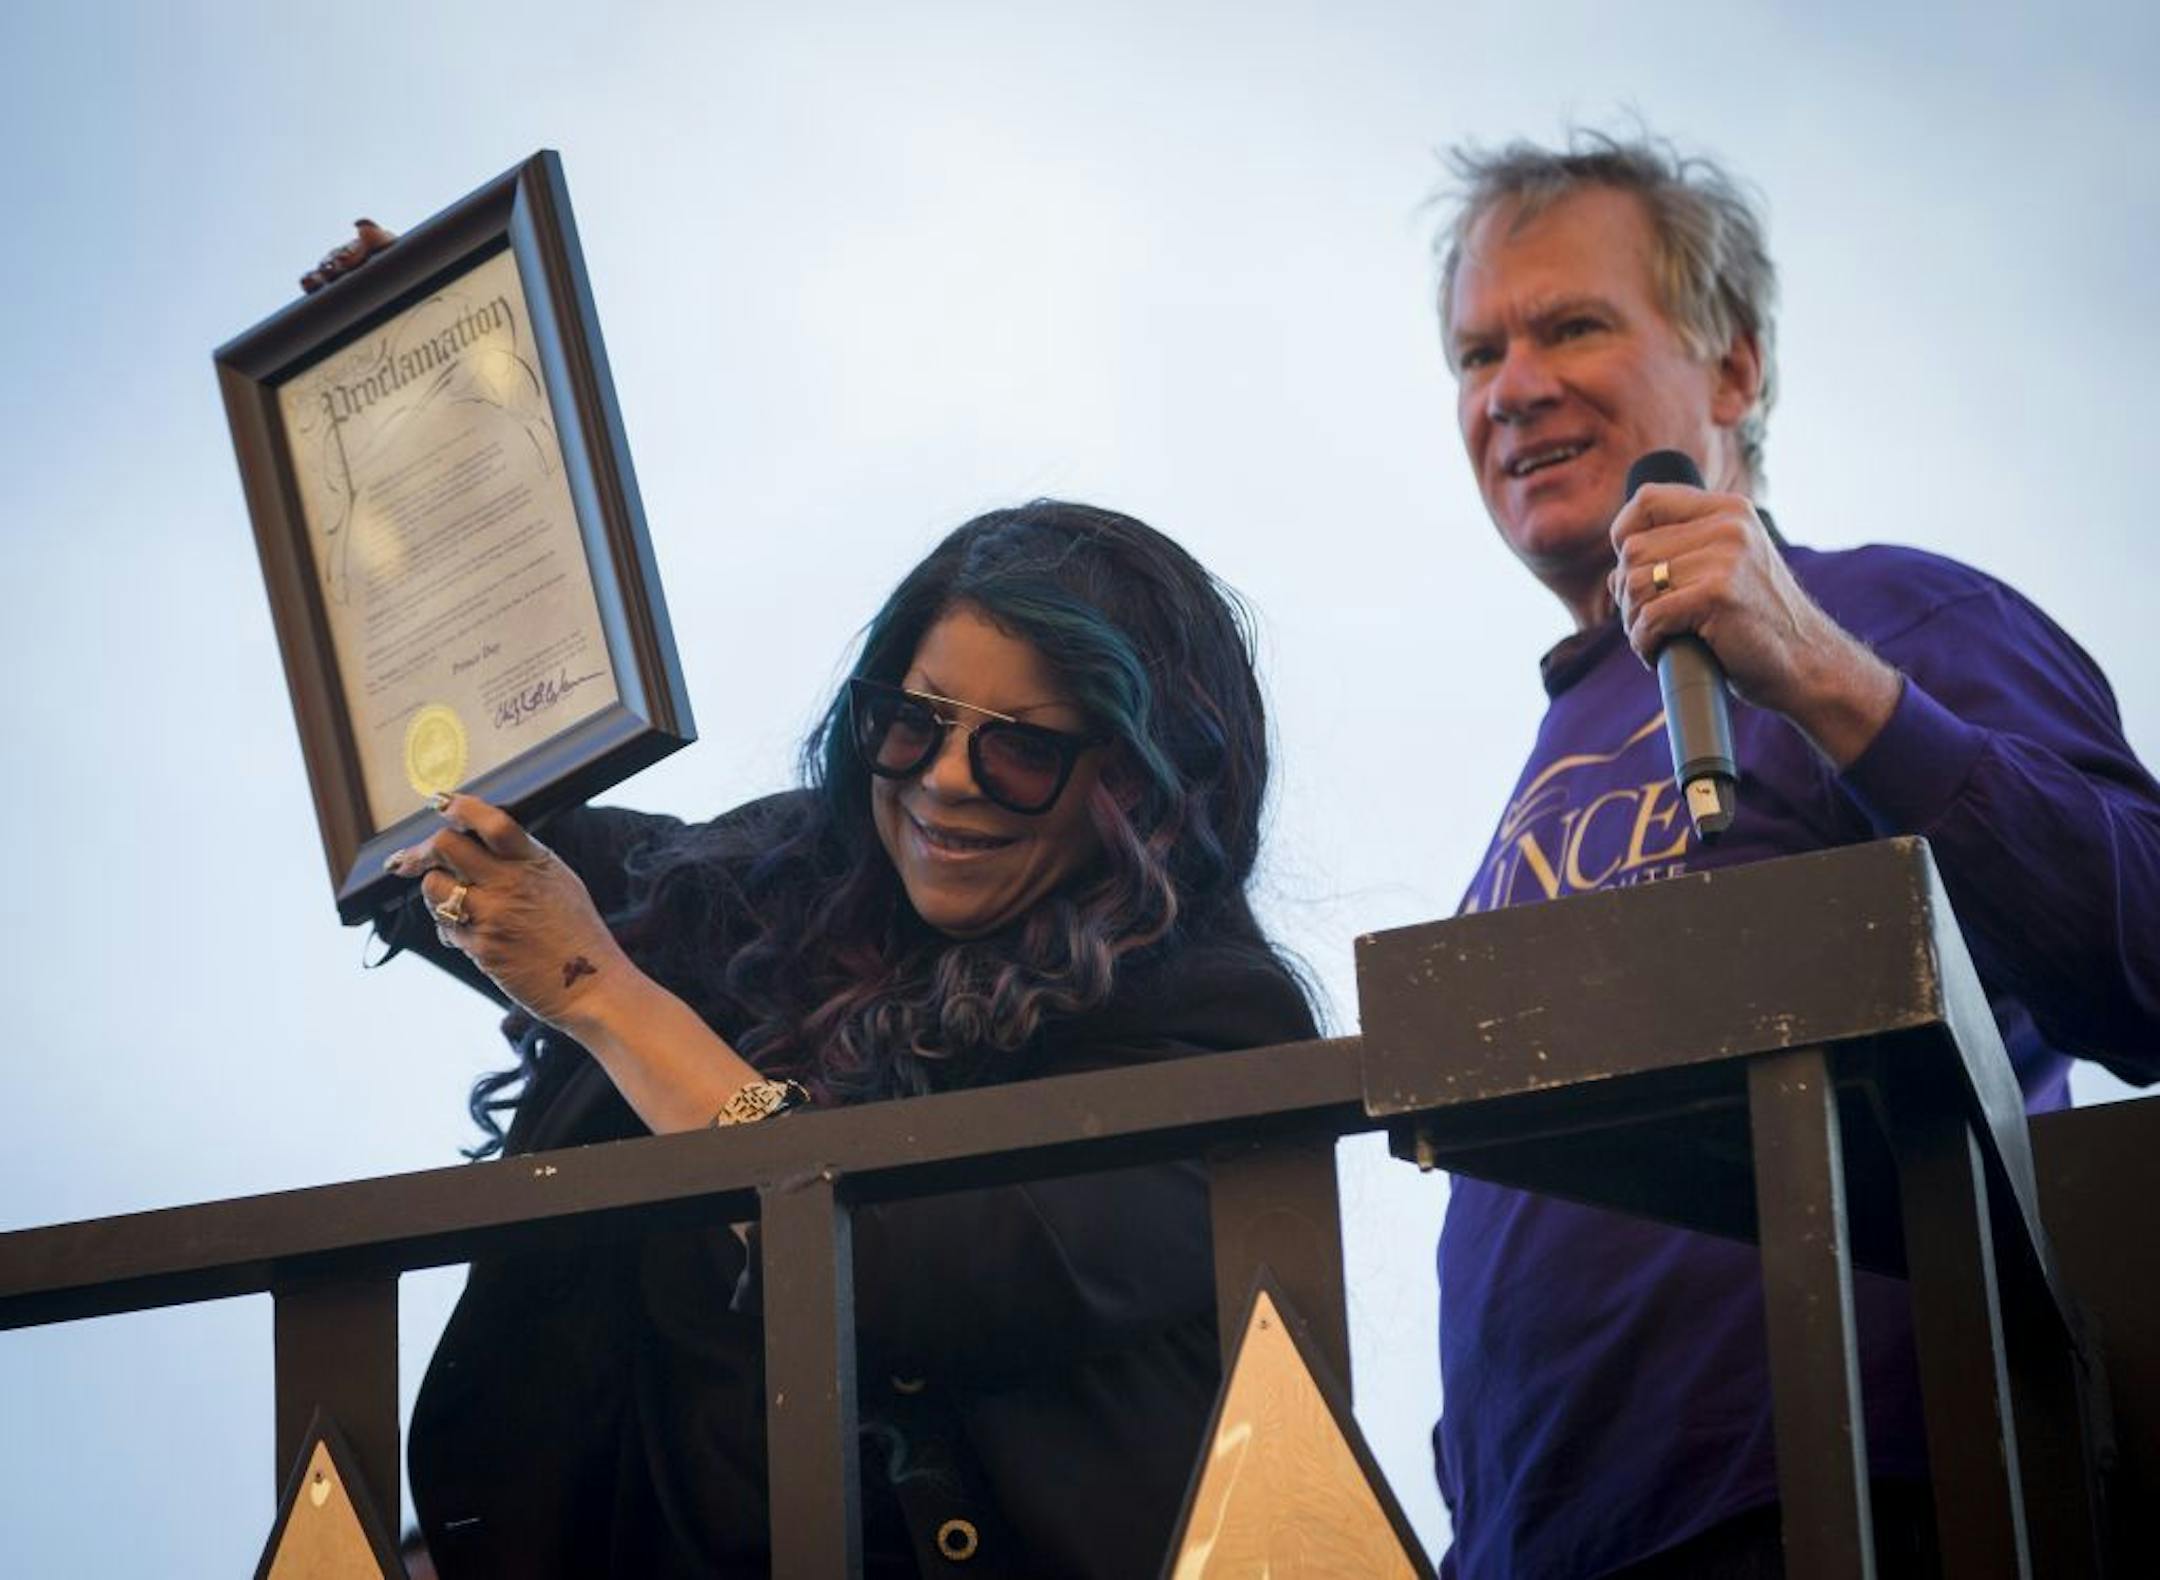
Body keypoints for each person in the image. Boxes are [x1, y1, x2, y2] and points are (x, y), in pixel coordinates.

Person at [1425, 130, 2160, 1577]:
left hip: (1856, 1505)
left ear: (1735, 371)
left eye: (1572, 324)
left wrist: (1831, 682)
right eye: (1475, 353)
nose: (1512, 387)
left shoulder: (1899, 616)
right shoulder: (1543, 760)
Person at [377, 501, 1317, 1577]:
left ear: (1141, 784)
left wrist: (604, 993)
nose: (945, 778)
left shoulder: (1214, 1024)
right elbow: (451, 836)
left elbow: (888, 1273)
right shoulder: (772, 886)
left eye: (1021, 750)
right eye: (911, 722)